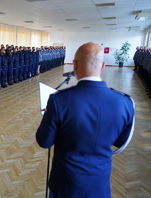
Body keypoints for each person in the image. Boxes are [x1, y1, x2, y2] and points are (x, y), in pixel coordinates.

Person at [36, 43, 134, 198]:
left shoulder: (59, 100)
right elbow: (121, 142)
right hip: (100, 183)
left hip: (65, 183)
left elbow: (44, 142)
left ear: (74, 65)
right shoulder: (125, 103)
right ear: (103, 66)